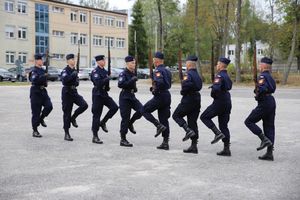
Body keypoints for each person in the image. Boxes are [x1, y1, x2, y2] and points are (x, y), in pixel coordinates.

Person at [244, 57, 276, 161]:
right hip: (271, 101)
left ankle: (263, 139)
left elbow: (262, 88)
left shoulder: (262, 76)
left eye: (260, 64)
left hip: (264, 103)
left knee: (249, 121)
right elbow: (272, 88)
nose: (259, 66)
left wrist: (258, 91)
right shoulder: (270, 77)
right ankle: (269, 153)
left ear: (263, 66)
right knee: (269, 126)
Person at [200, 57, 232, 156]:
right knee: (224, 125)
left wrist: (213, 93)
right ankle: (226, 149)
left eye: (218, 64)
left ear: (222, 65)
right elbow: (229, 86)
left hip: (219, 101)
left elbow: (216, 89)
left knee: (204, 117)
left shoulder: (219, 76)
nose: (216, 66)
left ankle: (217, 133)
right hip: (227, 101)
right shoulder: (227, 76)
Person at [172, 56, 202, 154]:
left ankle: (187, 130)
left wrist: (183, 91)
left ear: (188, 64)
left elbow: (186, 85)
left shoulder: (188, 74)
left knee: (176, 115)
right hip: (197, 99)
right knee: (192, 121)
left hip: (188, 98)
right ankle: (194, 146)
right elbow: (200, 85)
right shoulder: (197, 74)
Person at [143, 52, 172, 150]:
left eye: (154, 59)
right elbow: (167, 83)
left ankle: (157, 125)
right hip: (167, 95)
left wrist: (155, 88)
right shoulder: (167, 71)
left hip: (160, 96)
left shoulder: (158, 70)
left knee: (144, 110)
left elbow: (159, 82)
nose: (154, 61)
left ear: (157, 60)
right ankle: (165, 142)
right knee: (164, 119)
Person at [90, 55, 118, 144]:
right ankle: (95, 136)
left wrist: (107, 87)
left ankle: (103, 122)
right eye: (102, 60)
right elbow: (98, 83)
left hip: (104, 94)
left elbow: (105, 84)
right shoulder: (95, 72)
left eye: (104, 60)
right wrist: (107, 79)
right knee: (96, 115)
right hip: (97, 94)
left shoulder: (105, 71)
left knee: (114, 107)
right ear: (98, 62)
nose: (104, 61)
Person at [60, 54, 88, 141]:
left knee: (84, 105)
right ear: (68, 61)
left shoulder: (74, 70)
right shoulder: (65, 70)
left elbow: (77, 83)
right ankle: (66, 133)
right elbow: (65, 81)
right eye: (72, 59)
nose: (74, 60)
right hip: (67, 92)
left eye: (74, 59)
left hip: (74, 92)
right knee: (67, 113)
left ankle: (73, 117)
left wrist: (75, 79)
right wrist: (73, 75)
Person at [117, 55, 144, 147]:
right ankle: (123, 139)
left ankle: (130, 123)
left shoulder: (133, 72)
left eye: (134, 63)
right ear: (128, 63)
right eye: (132, 63)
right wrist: (131, 80)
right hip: (125, 97)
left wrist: (134, 88)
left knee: (142, 110)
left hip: (132, 96)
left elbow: (132, 85)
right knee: (125, 118)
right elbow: (120, 84)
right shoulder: (123, 73)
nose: (134, 64)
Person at [29, 54, 53, 138]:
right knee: (36, 112)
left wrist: (48, 78)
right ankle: (35, 130)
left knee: (49, 106)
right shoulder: (33, 70)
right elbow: (34, 79)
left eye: (42, 60)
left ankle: (41, 118)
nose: (42, 61)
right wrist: (44, 76)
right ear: (36, 61)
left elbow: (44, 80)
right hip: (35, 92)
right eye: (40, 60)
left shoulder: (43, 70)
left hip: (43, 91)